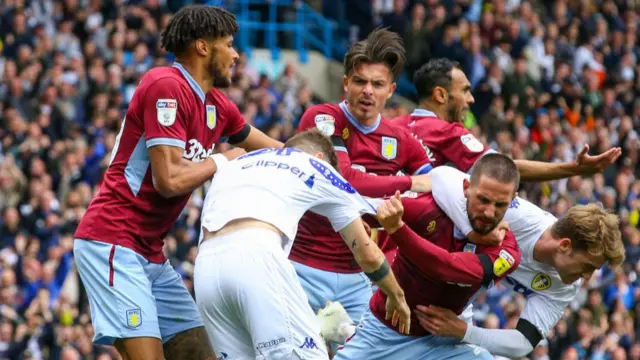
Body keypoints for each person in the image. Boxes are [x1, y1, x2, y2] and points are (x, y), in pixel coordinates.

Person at [72, 6, 281, 360]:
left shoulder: (219, 105)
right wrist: (221, 159)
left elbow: (278, 154)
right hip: (113, 241)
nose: (236, 55)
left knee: (199, 353)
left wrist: (325, 162)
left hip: (150, 252)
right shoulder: (165, 85)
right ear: (203, 47)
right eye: (229, 44)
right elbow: (168, 180)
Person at [194, 129, 410, 360]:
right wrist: (396, 296)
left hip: (206, 270)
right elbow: (367, 254)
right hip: (256, 258)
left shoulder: (239, 163)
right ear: (319, 158)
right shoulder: (318, 167)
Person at [289, 28, 433, 326]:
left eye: (377, 84)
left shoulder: (401, 139)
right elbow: (344, 179)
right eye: (360, 81)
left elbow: (435, 189)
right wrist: (408, 184)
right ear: (346, 83)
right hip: (304, 267)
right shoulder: (323, 118)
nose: (368, 90)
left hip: (359, 276)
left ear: (391, 90)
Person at [413, 166, 626, 358]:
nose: (589, 277)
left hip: (452, 309)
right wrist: (474, 233)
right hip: (415, 270)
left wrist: (464, 331)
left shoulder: (566, 285)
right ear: (564, 246)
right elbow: (442, 176)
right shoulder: (520, 217)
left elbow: (524, 341)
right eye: (588, 266)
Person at [333, 153, 522, 359]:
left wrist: (399, 230)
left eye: (500, 205)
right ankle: (345, 331)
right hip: (385, 332)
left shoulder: (507, 250)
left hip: (442, 341)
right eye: (483, 200)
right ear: (466, 188)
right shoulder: (429, 209)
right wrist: (359, 226)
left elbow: (449, 269)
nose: (488, 212)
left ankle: (344, 329)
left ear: (513, 200)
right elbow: (356, 208)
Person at [393, 58, 621, 178]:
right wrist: (573, 168)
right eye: (464, 91)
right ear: (440, 95)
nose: (471, 99)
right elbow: (504, 169)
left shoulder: (392, 126)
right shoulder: (448, 132)